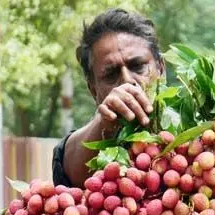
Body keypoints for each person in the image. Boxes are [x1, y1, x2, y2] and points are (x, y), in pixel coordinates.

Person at [52, 9, 164, 188]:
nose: (127, 81)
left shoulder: (195, 134)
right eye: (111, 74)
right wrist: (104, 124)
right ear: (93, 90)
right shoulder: (88, 143)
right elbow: (70, 166)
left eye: (137, 66)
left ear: (161, 69)